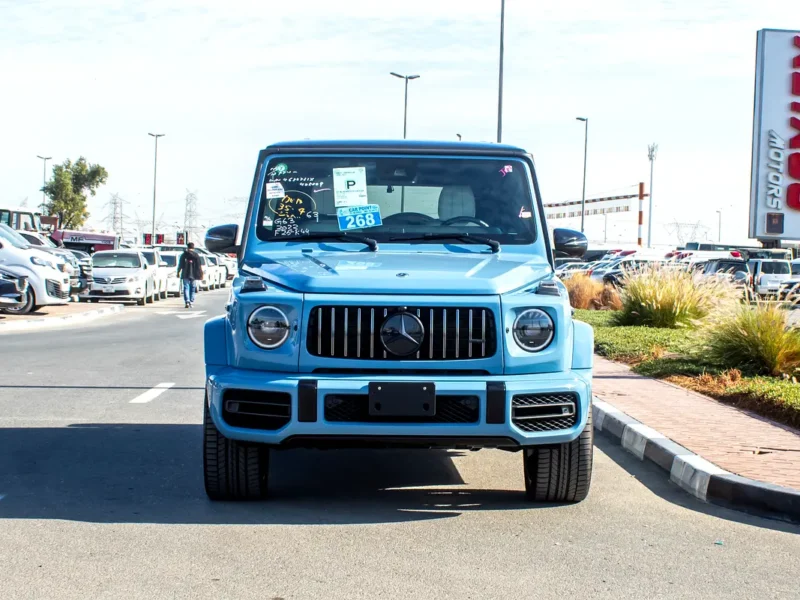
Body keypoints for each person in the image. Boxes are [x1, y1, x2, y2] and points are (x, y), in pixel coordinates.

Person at [177, 242, 203, 308]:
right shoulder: (196, 255)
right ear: (193, 248)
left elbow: (180, 264)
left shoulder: (184, 255)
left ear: (187, 247)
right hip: (194, 274)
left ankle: (187, 301)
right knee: (193, 287)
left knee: (186, 287)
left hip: (185, 273)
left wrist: (178, 272)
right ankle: (191, 300)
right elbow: (199, 266)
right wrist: (201, 274)